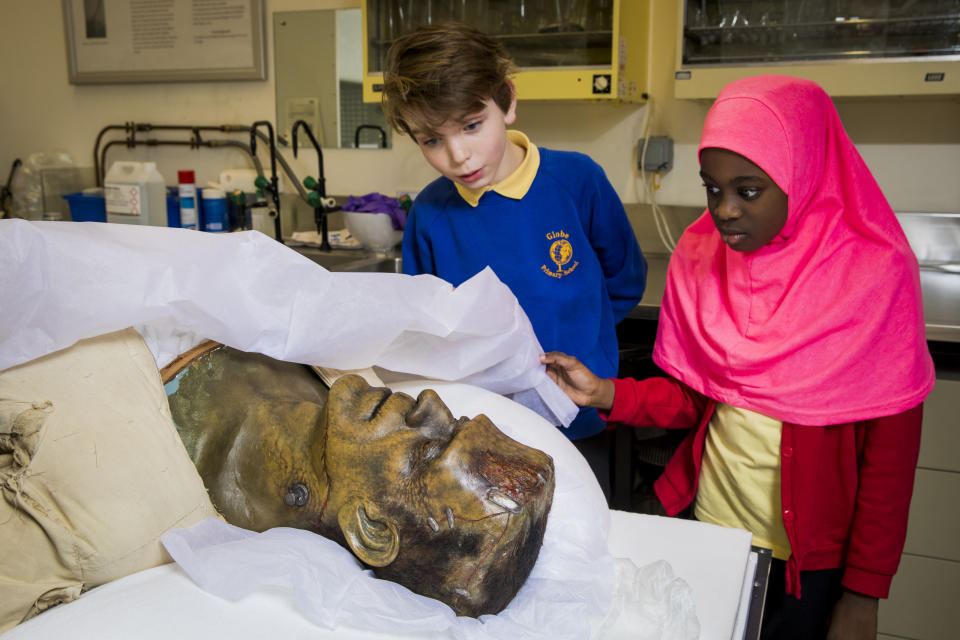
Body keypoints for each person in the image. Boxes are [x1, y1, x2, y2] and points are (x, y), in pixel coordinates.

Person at [540, 75, 935, 640]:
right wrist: (606, 392)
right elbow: (697, 400)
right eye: (711, 188)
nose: (724, 210)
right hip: (711, 529)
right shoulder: (702, 256)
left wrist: (863, 593)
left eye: (748, 190)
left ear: (804, 176)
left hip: (811, 563)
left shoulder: (874, 275)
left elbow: (889, 462)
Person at [381, 22, 647, 500]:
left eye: (470, 126)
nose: (458, 155)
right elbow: (428, 330)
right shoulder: (429, 214)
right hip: (481, 433)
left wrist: (583, 342)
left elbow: (624, 282)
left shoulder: (578, 181)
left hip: (577, 418)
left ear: (506, 100)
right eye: (430, 140)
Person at [164, 342, 555, 618]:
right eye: (453, 422)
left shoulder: (160, 476)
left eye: (431, 451)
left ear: (371, 530)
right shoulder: (315, 358)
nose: (431, 403)